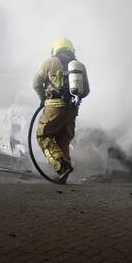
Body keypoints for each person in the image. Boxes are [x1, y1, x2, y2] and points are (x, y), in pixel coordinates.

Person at [32, 37, 90, 184]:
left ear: (55, 50)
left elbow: (36, 83)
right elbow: (86, 91)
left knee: (43, 136)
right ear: (71, 50)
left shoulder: (49, 63)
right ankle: (63, 175)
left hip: (54, 106)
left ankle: (62, 167)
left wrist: (42, 98)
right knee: (63, 141)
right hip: (72, 109)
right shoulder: (80, 66)